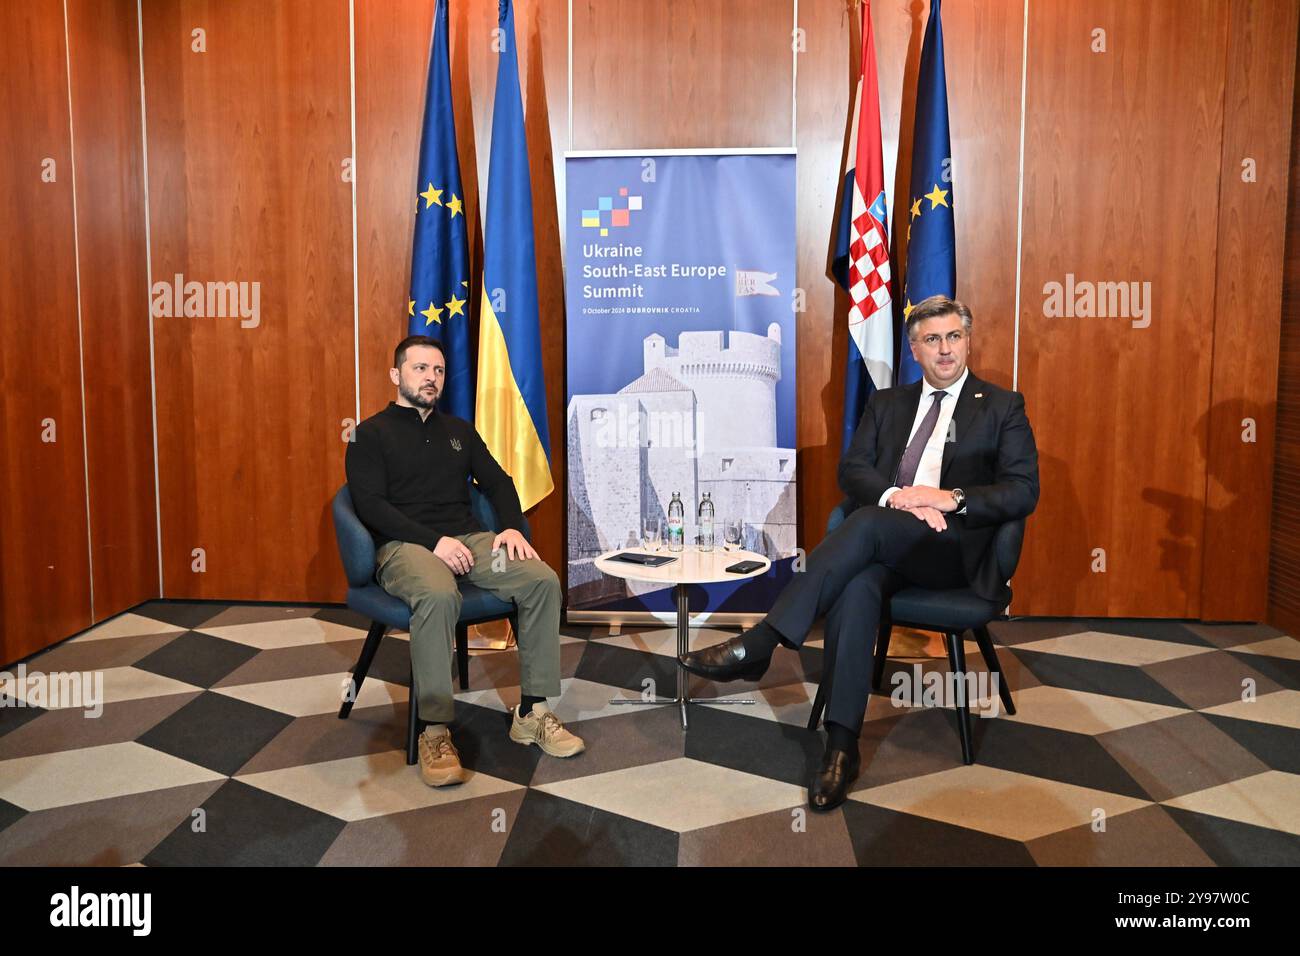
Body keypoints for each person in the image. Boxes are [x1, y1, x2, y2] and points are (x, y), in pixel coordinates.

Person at [680, 295, 1039, 811]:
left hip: (953, 549)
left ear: (968, 341)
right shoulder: (888, 404)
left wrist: (948, 498)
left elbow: (1024, 489)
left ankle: (763, 641)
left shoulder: (1002, 406)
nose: (945, 350)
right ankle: (842, 746)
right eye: (932, 340)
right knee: (858, 582)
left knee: (866, 523)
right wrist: (898, 497)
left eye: (954, 337)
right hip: (887, 541)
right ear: (914, 349)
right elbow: (853, 471)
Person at [345, 335, 584, 787]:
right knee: (437, 593)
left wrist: (511, 525)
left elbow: (497, 481)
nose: (430, 377)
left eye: (437, 370)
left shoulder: (459, 432)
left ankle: (532, 711)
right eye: (419, 369)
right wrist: (433, 542)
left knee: (540, 580)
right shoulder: (368, 434)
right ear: (396, 375)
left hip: (469, 543)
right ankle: (434, 730)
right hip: (403, 546)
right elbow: (371, 506)